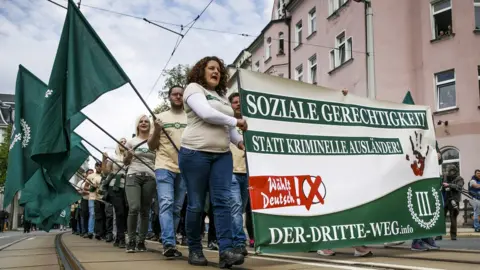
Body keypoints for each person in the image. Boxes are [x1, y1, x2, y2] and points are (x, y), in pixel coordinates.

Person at [179, 56, 247, 268]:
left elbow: (230, 130)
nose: (216, 72)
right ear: (202, 71)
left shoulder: (222, 97)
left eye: (218, 69)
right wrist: (235, 120)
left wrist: (240, 142)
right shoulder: (193, 89)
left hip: (222, 156)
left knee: (223, 203)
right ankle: (195, 249)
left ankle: (226, 251)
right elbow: (206, 114)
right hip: (195, 154)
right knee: (197, 205)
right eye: (211, 68)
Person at [316, 88, 372, 257]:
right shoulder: (323, 126)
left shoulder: (349, 126)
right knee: (334, 208)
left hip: (348, 172)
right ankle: (325, 243)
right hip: (330, 172)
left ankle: (357, 244)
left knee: (352, 209)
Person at [154, 85, 187, 258]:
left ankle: (170, 239)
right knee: (166, 202)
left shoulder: (191, 118)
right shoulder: (160, 117)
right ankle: (168, 243)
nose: (178, 97)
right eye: (174, 94)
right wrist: (157, 130)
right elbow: (152, 146)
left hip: (184, 168)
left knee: (177, 208)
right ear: (169, 97)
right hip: (164, 166)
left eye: (181, 94)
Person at [123, 114, 162, 253]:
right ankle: (131, 240)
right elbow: (125, 163)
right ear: (137, 124)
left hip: (150, 177)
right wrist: (129, 155)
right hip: (133, 176)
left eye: (146, 121)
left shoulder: (155, 142)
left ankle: (141, 241)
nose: (144, 123)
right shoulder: (131, 142)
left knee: (145, 211)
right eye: (141, 121)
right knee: (134, 207)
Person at [228, 92, 249, 256]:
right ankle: (239, 242)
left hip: (248, 172)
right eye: (235, 102)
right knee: (235, 208)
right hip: (231, 171)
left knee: (241, 209)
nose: (238, 104)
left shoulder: (250, 122)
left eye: (240, 102)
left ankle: (233, 237)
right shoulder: (227, 123)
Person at [102, 138, 128, 248]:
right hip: (115, 187)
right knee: (120, 211)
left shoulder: (130, 157)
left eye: (125, 142)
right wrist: (104, 160)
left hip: (128, 186)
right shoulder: (113, 157)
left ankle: (118, 237)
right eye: (121, 142)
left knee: (125, 212)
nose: (123, 143)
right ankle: (121, 238)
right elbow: (106, 172)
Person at [442, 164, 464, 240]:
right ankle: (439, 234)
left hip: (454, 200)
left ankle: (453, 235)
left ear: (454, 171)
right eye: (448, 170)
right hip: (445, 200)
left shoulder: (459, 178)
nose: (449, 172)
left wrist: (449, 185)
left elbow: (459, 187)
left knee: (453, 218)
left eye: (450, 171)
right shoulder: (445, 177)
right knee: (441, 218)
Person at [88, 162, 106, 240]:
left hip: (105, 199)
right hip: (95, 198)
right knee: (94, 215)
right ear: (95, 167)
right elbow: (89, 188)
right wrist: (93, 187)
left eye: (100, 166)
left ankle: (102, 232)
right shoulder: (91, 176)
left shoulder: (105, 175)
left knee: (105, 216)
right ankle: (92, 232)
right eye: (97, 166)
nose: (99, 167)